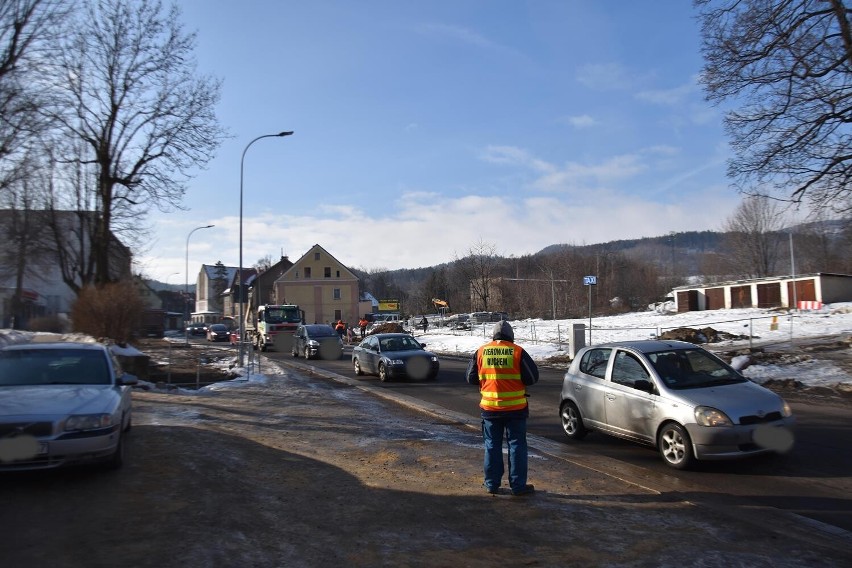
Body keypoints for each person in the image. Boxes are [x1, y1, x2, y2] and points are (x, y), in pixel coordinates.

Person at [465, 320, 539, 496]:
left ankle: (491, 484)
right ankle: (518, 486)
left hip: (490, 409)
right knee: (517, 446)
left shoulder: (481, 351)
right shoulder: (517, 352)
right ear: (510, 336)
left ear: (493, 335)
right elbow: (532, 378)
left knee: (492, 446)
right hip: (516, 410)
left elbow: (470, 377)